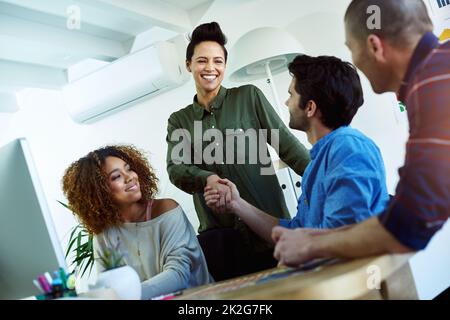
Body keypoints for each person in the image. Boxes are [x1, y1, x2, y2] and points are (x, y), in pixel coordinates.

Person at [272, 0, 450, 267]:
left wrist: (311, 244)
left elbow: (411, 224)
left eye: (352, 49)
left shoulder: (433, 85)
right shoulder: (435, 73)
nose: (354, 61)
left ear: (375, 46)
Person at [166, 21, 311, 279]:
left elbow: (287, 147)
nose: (210, 68)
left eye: (218, 61)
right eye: (202, 61)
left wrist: (325, 175)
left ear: (224, 65)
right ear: (189, 65)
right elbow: (176, 169)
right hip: (222, 241)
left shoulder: (249, 97)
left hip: (268, 228)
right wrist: (207, 178)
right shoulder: (180, 120)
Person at [204, 55, 390, 244]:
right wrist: (237, 204)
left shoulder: (349, 150)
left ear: (310, 107)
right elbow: (294, 231)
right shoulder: (317, 163)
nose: (286, 102)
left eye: (291, 94)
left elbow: (342, 237)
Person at [62, 145, 212, 299]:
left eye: (129, 169)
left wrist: (125, 295)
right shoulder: (103, 235)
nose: (130, 177)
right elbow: (110, 286)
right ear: (98, 192)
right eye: (116, 176)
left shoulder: (167, 210)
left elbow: (178, 275)